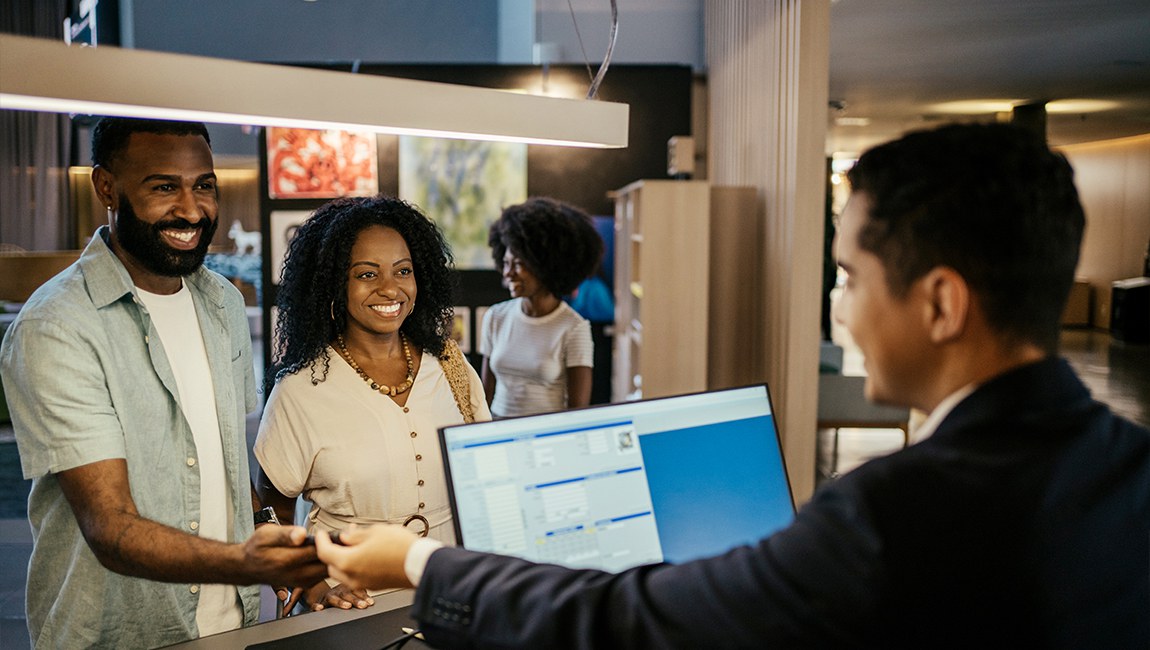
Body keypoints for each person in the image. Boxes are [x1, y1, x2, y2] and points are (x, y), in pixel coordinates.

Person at [314, 123, 1150, 648]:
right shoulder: (1129, 462)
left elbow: (624, 623)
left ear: (940, 303)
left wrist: (420, 562)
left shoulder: (890, 516)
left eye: (849, 277)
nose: (843, 309)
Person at [0, 117, 325, 649]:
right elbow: (111, 528)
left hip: (230, 628)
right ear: (107, 187)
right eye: (163, 187)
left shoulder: (222, 302)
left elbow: (221, 464)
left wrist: (278, 551)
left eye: (203, 186)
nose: (192, 210)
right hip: (119, 635)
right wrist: (244, 562)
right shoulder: (57, 326)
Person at [254, 195, 491, 614]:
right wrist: (314, 586)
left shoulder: (451, 366)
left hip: (452, 594)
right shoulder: (301, 388)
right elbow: (274, 510)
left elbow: (485, 480)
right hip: (352, 606)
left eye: (404, 271)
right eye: (367, 274)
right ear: (333, 283)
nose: (390, 288)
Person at [480, 197, 604, 416]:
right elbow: (483, 396)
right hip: (496, 431)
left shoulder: (574, 327)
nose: (508, 273)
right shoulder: (495, 316)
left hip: (544, 440)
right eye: (506, 263)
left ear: (544, 266)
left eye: (518, 264)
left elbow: (578, 411)